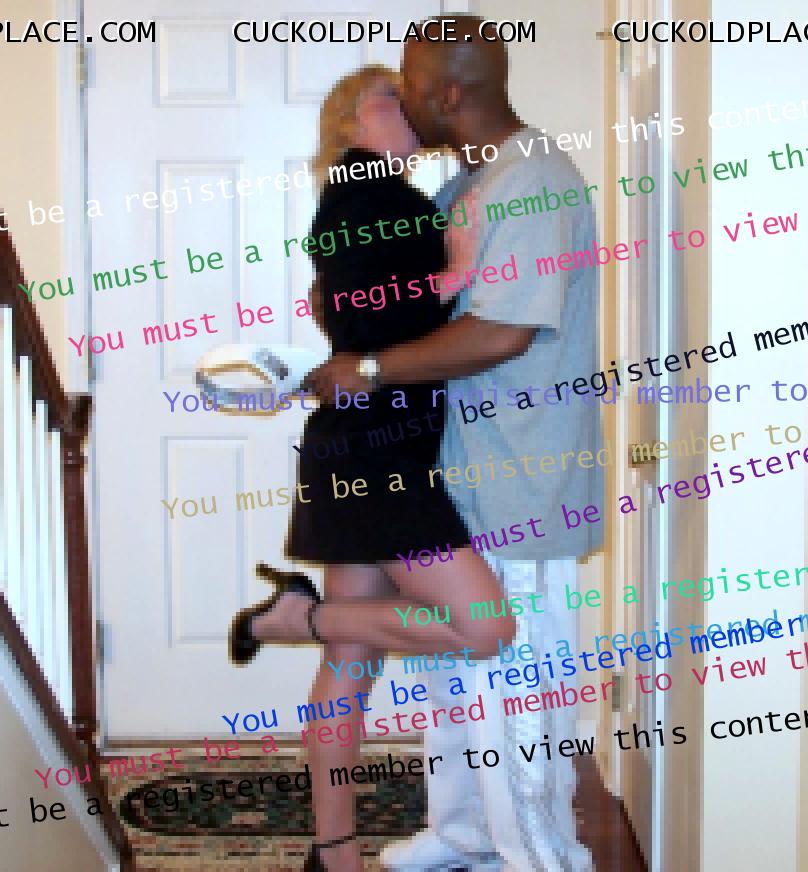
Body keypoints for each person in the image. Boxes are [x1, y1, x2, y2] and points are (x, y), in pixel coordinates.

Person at [307, 16, 605, 872]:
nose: (400, 97)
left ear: (448, 93)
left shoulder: (531, 179)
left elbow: (501, 331)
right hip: (454, 473)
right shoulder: (463, 187)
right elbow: (399, 295)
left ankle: (540, 858)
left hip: (522, 476)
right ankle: (464, 835)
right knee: (458, 690)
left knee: (514, 696)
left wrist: (367, 366)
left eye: (407, 83)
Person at [227, 64, 521, 872]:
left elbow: (342, 305)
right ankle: (298, 617)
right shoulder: (369, 190)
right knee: (484, 626)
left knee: (352, 661)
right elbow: (368, 314)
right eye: (386, 98)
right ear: (349, 124)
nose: (405, 106)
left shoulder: (364, 197)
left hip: (361, 444)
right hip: (378, 453)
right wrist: (454, 271)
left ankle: (335, 854)